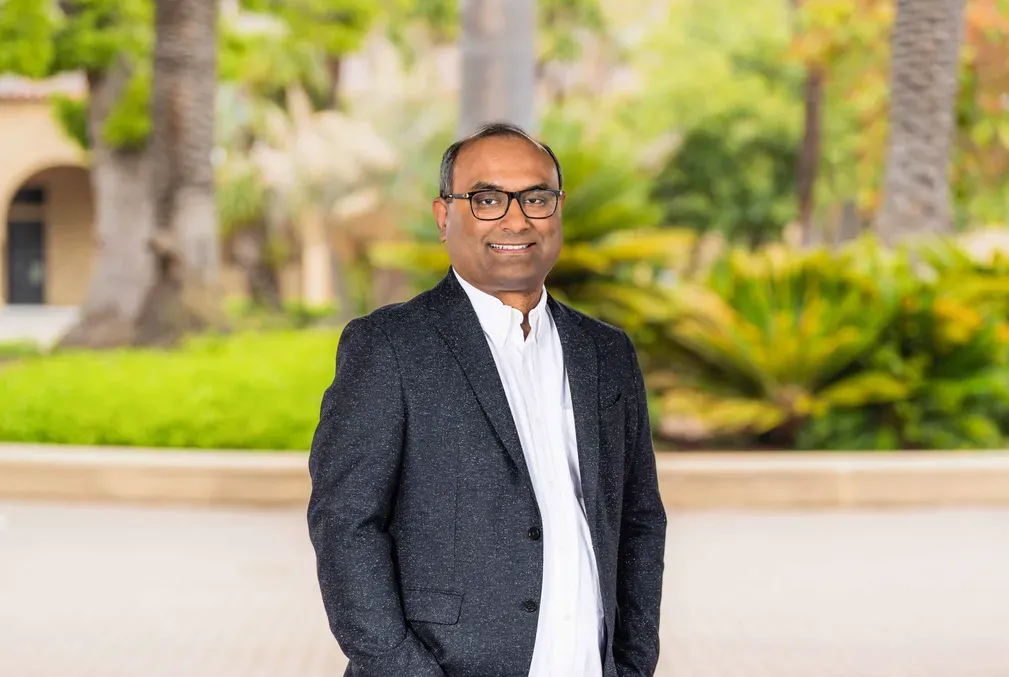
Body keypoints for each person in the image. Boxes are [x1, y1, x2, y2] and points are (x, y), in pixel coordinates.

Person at [307, 122, 667, 677]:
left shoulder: (606, 352)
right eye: (488, 199)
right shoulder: (390, 347)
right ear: (444, 214)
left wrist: (633, 663)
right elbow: (346, 525)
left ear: (558, 210)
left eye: (537, 198)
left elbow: (641, 518)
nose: (517, 219)